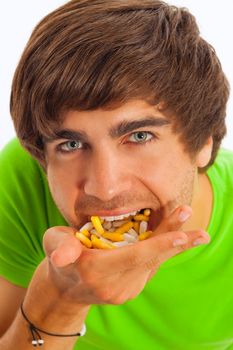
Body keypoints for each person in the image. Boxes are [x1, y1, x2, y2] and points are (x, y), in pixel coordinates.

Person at [0, 0, 231, 349]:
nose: (105, 189)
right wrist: (60, 302)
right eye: (71, 144)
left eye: (139, 136)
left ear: (203, 140)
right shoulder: (21, 179)